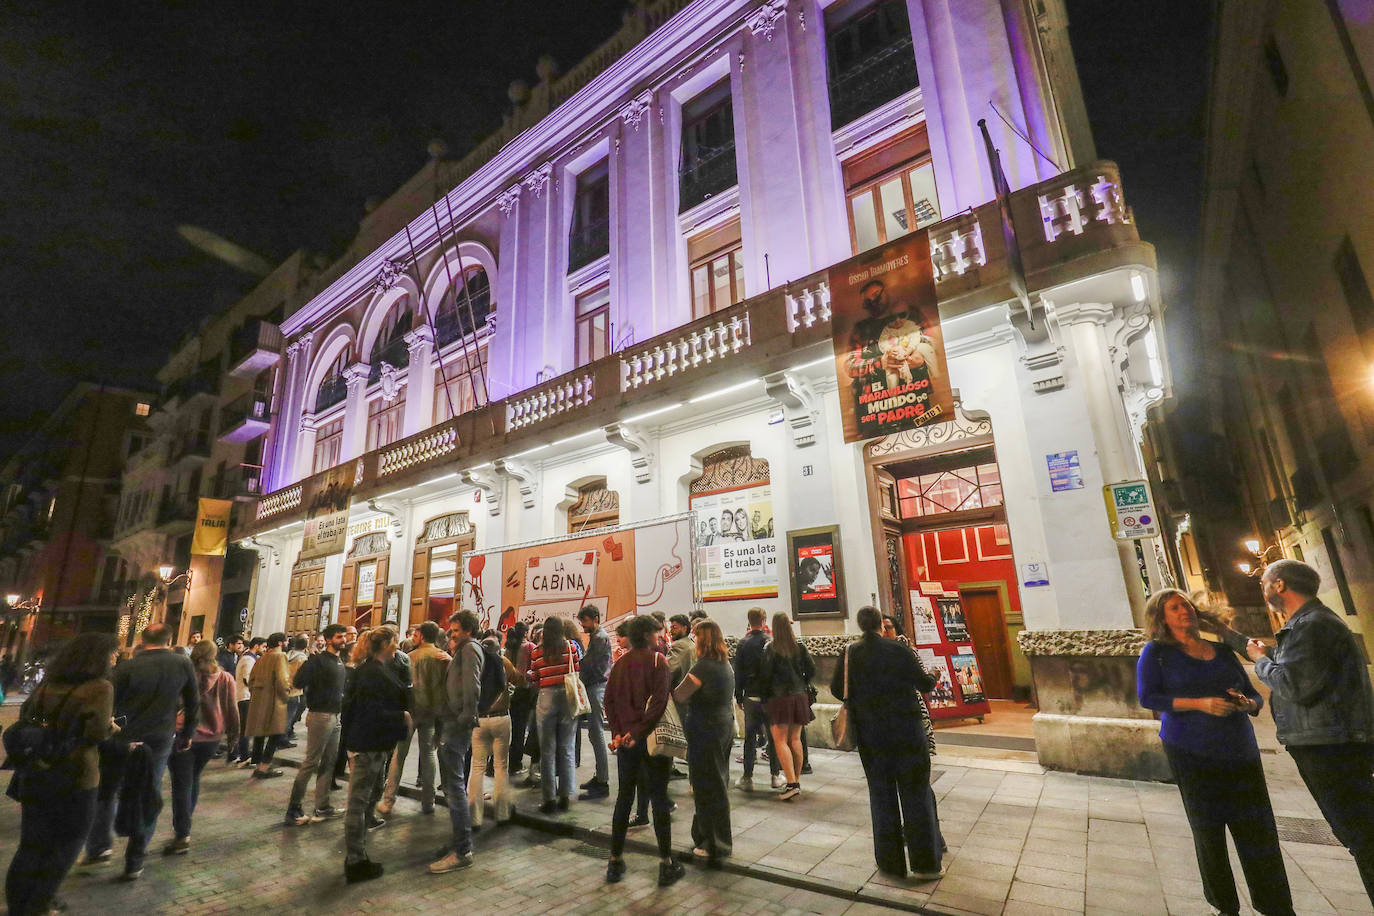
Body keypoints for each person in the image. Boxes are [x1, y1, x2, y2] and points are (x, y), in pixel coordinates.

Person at [1138, 589, 1293, 916]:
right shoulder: (1157, 653)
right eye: (1175, 608)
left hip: (1239, 750)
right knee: (1208, 831)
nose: (1185, 611)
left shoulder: (1222, 652)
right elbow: (1148, 697)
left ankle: (1275, 904)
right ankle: (1224, 905)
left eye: (1187, 605)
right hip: (1190, 751)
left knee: (1258, 829)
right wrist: (1199, 704)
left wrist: (1247, 703)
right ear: (1162, 618)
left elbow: (1254, 695)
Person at [1243, 560, 1374, 903]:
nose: (1263, 589)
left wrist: (1260, 659)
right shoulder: (1309, 625)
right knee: (1360, 834)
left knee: (1362, 836)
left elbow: (1295, 684)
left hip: (1330, 746)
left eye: (1265, 583)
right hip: (1329, 741)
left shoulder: (1311, 626)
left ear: (1280, 586)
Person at [5, 633, 116, 916]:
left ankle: (19, 903)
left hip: (37, 772)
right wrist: (112, 728)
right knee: (68, 842)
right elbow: (95, 733)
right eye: (112, 654)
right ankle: (40, 903)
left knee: (31, 843)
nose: (114, 659)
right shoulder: (100, 688)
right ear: (98, 657)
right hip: (76, 775)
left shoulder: (48, 684)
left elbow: (27, 718)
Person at [832, 607, 942, 880]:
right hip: (907, 733)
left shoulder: (850, 654)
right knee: (916, 795)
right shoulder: (899, 650)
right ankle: (926, 864)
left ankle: (890, 863)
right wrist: (934, 674)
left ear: (859, 625)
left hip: (872, 735)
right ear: (882, 624)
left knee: (881, 797)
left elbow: (837, 689)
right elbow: (924, 683)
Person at [83, 623, 198, 882]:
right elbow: (193, 701)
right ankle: (135, 859)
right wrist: (187, 733)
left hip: (122, 736)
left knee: (108, 790)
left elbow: (108, 704)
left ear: (143, 640)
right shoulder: (182, 664)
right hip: (159, 739)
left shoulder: (125, 666)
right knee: (149, 792)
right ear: (169, 640)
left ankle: (100, 847)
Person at [604, 614, 684, 888]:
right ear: (648, 635)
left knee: (624, 798)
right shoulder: (657, 661)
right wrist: (636, 733)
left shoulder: (620, 664)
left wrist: (618, 733)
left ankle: (614, 860)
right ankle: (665, 863)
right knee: (658, 798)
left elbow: (609, 701)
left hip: (626, 742)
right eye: (657, 632)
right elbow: (659, 702)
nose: (661, 635)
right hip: (650, 741)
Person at [339, 628, 410, 883]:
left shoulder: (371, 670)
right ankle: (356, 860)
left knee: (365, 800)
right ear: (387, 645)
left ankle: (359, 854)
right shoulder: (371, 673)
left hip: (370, 744)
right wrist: (402, 717)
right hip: (367, 745)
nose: (397, 646)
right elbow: (372, 712)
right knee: (357, 804)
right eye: (394, 642)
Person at [164, 639, 238, 856]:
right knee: (193, 778)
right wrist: (234, 735)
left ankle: (182, 834)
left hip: (185, 734)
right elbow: (232, 709)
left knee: (181, 784)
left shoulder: (187, 676)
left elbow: (174, 703)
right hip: (212, 737)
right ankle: (186, 821)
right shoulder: (226, 678)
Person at [672, 619, 734, 866]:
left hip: (705, 728)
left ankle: (714, 843)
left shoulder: (703, 668)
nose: (694, 640)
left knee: (708, 785)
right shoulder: (725, 664)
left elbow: (680, 694)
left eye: (696, 637)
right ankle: (707, 838)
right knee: (717, 781)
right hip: (722, 724)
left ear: (703, 640)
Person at [379, 621, 449, 817]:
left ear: (422, 635)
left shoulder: (410, 657)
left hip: (410, 711)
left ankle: (388, 800)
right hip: (431, 711)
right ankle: (429, 801)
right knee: (428, 754)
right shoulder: (442, 658)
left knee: (399, 755)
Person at [431, 612, 481, 875]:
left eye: (456, 631)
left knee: (455, 786)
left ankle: (462, 849)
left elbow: (472, 685)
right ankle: (458, 841)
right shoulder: (463, 649)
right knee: (453, 786)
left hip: (457, 724)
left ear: (469, 630)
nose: (451, 635)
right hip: (452, 721)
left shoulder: (470, 649)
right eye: (450, 631)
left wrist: (465, 717)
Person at [285, 623, 349, 826]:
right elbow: (298, 681)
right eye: (339, 637)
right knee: (311, 762)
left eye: (344, 636)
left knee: (329, 762)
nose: (343, 640)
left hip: (335, 716)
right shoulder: (317, 661)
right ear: (328, 639)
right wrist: (317, 693)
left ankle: (322, 806)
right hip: (321, 715)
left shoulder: (339, 660)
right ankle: (293, 809)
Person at [526, 616, 581, 814]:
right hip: (567, 696)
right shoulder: (570, 647)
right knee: (566, 748)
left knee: (547, 750)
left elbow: (534, 677)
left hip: (546, 697)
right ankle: (565, 796)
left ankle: (548, 798)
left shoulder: (537, 651)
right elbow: (577, 668)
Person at [757, 613, 813, 800]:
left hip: (779, 698)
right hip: (799, 695)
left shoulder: (770, 648)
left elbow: (765, 676)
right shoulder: (800, 646)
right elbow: (811, 670)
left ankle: (791, 783)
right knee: (795, 739)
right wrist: (802, 682)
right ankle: (795, 779)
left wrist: (763, 698)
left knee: (780, 740)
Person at [469, 632, 518, 829]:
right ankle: (502, 814)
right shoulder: (504, 662)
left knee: (477, 767)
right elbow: (519, 678)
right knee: (500, 767)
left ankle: (474, 818)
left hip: (479, 719)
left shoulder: (475, 664)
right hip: (501, 718)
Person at [734, 608, 783, 792]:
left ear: (749, 620)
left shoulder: (742, 643)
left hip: (750, 695)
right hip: (770, 697)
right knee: (773, 736)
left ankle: (747, 777)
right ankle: (775, 775)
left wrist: (738, 696)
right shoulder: (771, 642)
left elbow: (738, 672)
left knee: (749, 737)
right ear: (764, 620)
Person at [575, 605, 612, 801]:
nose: (583, 625)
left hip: (596, 688)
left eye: (585, 621)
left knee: (597, 735)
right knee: (594, 734)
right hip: (595, 687)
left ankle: (603, 781)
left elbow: (588, 665)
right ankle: (600, 776)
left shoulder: (599, 638)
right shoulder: (598, 637)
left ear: (595, 618)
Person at [244, 632, 291, 780]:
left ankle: (257, 763)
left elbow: (250, 680)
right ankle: (264, 767)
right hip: (274, 701)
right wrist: (286, 696)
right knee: (276, 734)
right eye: (286, 641)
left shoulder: (261, 658)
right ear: (280, 643)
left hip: (259, 701)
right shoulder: (280, 657)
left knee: (260, 733)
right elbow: (282, 680)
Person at [505, 623, 536, 780]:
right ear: (526, 632)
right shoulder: (530, 647)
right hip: (524, 691)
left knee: (511, 729)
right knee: (520, 729)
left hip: (510, 691)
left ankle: (506, 762)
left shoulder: (509, 648)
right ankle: (515, 763)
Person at [230, 636, 264, 765]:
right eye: (263, 646)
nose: (264, 649)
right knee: (245, 728)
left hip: (245, 696)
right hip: (245, 697)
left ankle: (241, 754)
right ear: (257, 646)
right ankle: (243, 755)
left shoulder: (249, 658)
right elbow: (248, 679)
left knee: (245, 727)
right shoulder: (249, 659)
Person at [284, 636, 309, 744]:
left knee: (285, 716)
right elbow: (302, 674)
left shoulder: (287, 655)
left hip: (285, 687)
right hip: (295, 690)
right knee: (290, 716)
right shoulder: (302, 659)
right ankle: (284, 739)